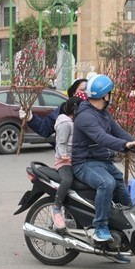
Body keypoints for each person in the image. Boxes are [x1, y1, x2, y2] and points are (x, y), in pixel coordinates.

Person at [71, 74, 135, 263]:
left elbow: (118, 131)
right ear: (104, 95)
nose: (111, 96)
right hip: (84, 163)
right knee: (107, 183)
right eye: (109, 93)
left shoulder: (103, 113)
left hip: (102, 162)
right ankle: (100, 227)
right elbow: (101, 138)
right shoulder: (86, 116)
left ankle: (122, 232)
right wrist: (124, 145)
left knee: (119, 183)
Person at [51, 95, 83, 231]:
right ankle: (56, 207)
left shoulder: (74, 122)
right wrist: (63, 155)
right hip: (63, 161)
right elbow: (61, 143)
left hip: (74, 160)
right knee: (67, 180)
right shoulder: (65, 123)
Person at [21, 78, 88, 138]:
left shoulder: (95, 109)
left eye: (88, 90)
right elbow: (45, 129)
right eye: (82, 90)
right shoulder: (64, 109)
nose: (85, 93)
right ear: (74, 93)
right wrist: (31, 118)